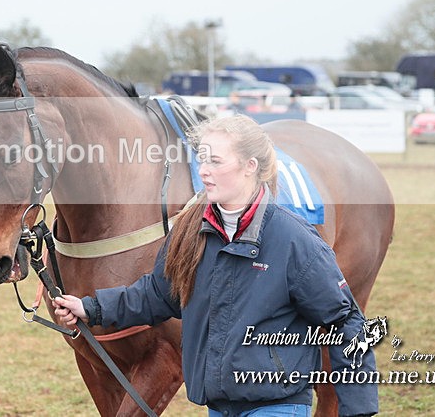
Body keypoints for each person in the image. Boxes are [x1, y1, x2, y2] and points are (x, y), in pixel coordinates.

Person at [53, 115, 378, 417]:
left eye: (216, 161)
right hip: (220, 405)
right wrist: (91, 309)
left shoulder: (294, 240)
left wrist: (358, 408)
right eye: (202, 159)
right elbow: (157, 295)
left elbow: (345, 321)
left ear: (250, 167)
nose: (204, 170)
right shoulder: (192, 232)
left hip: (277, 404)